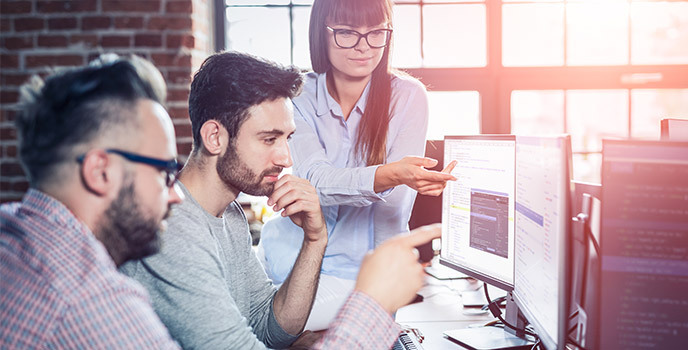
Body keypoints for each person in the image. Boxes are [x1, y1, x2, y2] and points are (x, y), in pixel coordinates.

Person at [119, 51, 440, 349]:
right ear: (215, 137)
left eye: (287, 138)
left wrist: (315, 239)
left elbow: (269, 326)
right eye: (269, 139)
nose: (286, 157)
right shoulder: (174, 229)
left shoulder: (228, 214)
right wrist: (371, 307)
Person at [259, 0, 456, 330]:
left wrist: (382, 296)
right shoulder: (298, 96)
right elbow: (314, 181)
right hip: (286, 258)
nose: (363, 47)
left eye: (376, 32)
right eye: (347, 33)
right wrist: (391, 173)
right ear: (322, 33)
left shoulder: (408, 97)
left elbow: (392, 208)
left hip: (362, 275)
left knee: (266, 328)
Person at [0, 55, 183, 348]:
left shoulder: (8, 225)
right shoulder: (93, 301)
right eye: (165, 173)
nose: (178, 195)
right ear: (100, 172)